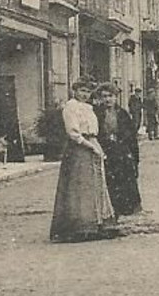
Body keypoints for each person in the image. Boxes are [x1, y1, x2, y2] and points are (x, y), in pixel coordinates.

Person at [49, 83, 118, 242]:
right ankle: (80, 226)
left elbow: (94, 131)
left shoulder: (89, 108)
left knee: (96, 184)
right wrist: (90, 146)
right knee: (81, 186)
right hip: (79, 148)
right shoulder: (71, 107)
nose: (85, 94)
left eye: (88, 91)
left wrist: (98, 148)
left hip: (92, 144)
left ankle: (98, 223)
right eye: (82, 91)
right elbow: (73, 133)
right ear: (74, 91)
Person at [92, 84, 142, 216]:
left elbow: (131, 137)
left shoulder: (123, 114)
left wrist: (134, 157)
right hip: (105, 151)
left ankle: (125, 208)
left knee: (123, 180)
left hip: (121, 152)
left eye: (110, 96)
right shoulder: (96, 114)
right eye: (104, 96)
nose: (108, 99)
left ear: (116, 98)